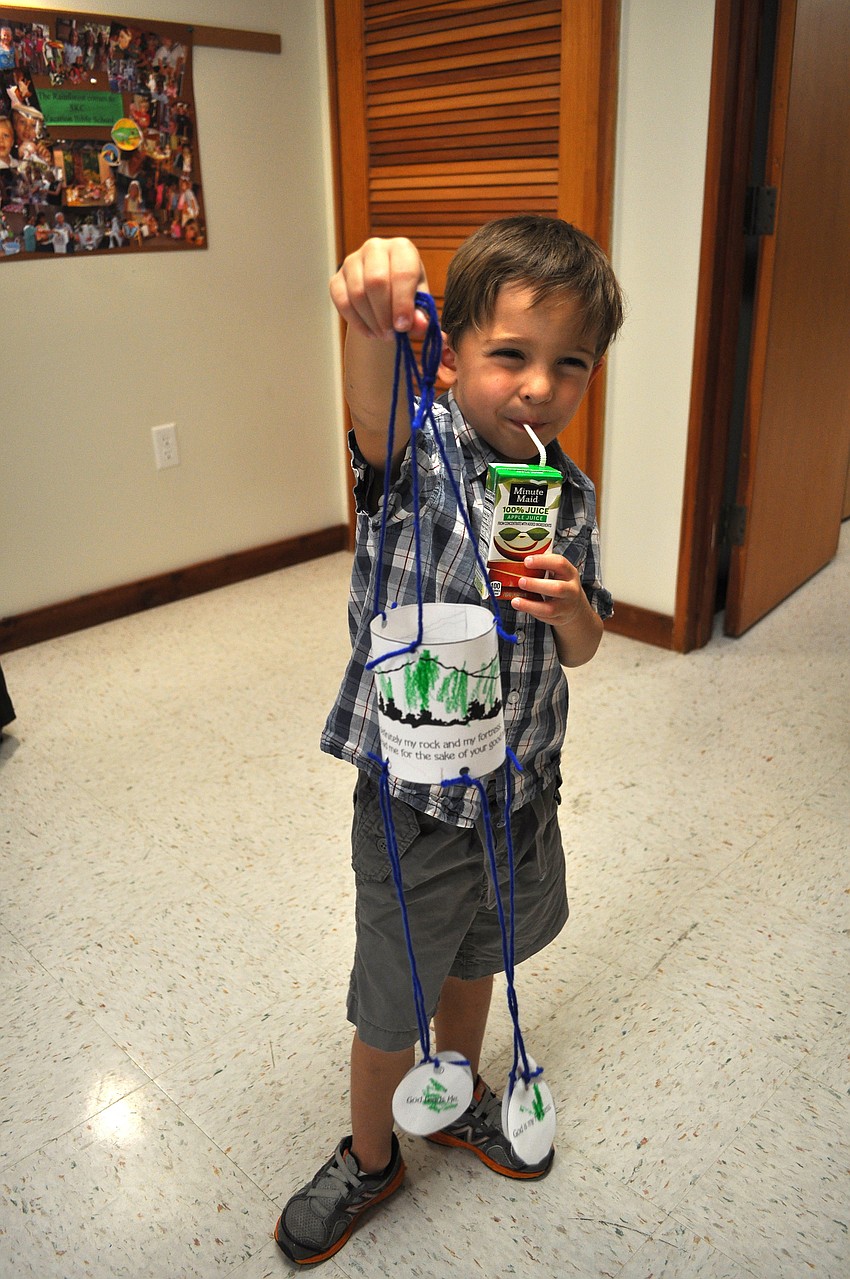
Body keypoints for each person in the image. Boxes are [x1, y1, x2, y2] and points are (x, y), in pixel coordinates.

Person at [273, 215, 625, 1266]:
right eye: (509, 353)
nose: (538, 386)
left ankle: (459, 1091)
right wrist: (374, 303)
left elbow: (590, 642)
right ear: (453, 348)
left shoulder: (565, 493)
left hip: (516, 791)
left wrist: (569, 611)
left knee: (483, 952)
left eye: (570, 364)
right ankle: (374, 1154)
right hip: (417, 806)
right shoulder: (414, 448)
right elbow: (369, 392)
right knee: (394, 995)